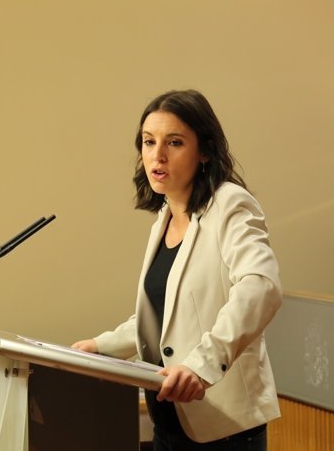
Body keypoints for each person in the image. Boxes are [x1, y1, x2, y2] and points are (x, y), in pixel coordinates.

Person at [73, 89, 282, 450]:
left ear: (204, 151)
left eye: (174, 142)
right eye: (148, 142)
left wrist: (204, 365)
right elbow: (163, 319)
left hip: (223, 429)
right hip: (170, 422)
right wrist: (99, 347)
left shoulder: (230, 204)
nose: (158, 155)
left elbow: (260, 287)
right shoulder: (165, 217)